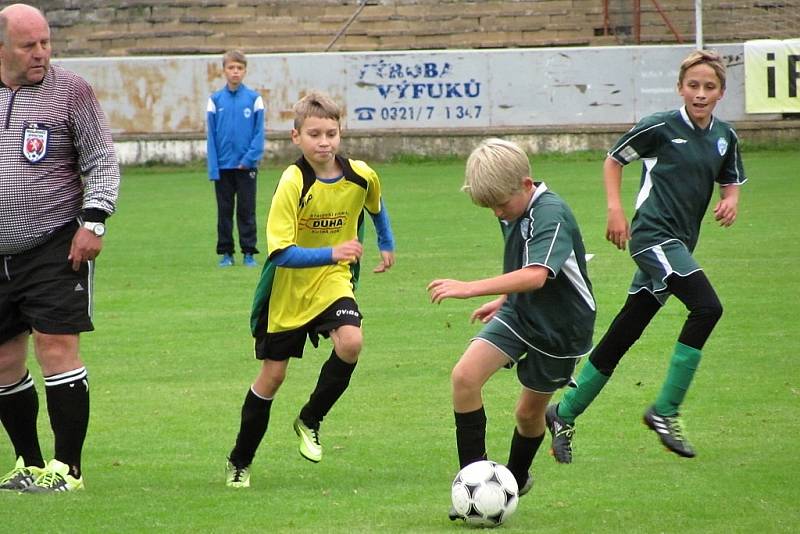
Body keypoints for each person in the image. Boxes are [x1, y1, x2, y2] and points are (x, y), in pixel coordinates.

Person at [545, 50, 747, 463]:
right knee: (707, 308)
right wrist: (616, 209)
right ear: (680, 88)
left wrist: (731, 200)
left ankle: (563, 413)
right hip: (653, 237)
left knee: (626, 330)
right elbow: (613, 160)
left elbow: (730, 179)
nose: (701, 93)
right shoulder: (659, 126)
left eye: (709, 87)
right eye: (693, 85)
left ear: (721, 92)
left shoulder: (725, 136)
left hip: (679, 245)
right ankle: (665, 410)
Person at [224, 91, 395, 488]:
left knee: (351, 342)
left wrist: (385, 242)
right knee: (273, 376)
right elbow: (280, 253)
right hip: (286, 289)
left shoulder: (360, 174)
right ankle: (240, 460)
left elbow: (376, 202)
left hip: (333, 282)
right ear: (295, 137)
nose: (324, 142)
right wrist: (334, 249)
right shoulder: (292, 182)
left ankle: (310, 419)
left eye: (331, 133)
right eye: (314, 134)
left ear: (340, 133)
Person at [427, 138, 595, 520]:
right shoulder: (511, 210)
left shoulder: (550, 212)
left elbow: (537, 275)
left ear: (525, 184)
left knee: (527, 415)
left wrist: (470, 287)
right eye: (490, 207)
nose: (498, 212)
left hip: (561, 328)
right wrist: (502, 299)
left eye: (501, 204)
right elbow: (525, 267)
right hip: (520, 312)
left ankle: (513, 483)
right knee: (464, 378)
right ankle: (472, 485)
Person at [0, 3, 120, 493]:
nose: (42, 53)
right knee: (4, 361)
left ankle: (68, 469)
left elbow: (102, 160)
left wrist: (94, 221)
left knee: (56, 347)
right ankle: (28, 463)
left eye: (46, 42)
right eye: (30, 45)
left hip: (54, 242)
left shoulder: (70, 91)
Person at [206, 49, 265, 268]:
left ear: (245, 71)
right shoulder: (215, 100)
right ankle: (226, 253)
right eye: (231, 68)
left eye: (239, 68)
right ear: (224, 71)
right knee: (224, 212)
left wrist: (249, 159)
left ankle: (249, 252)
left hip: (245, 166)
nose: (235, 72)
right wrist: (214, 167)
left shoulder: (254, 99)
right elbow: (211, 136)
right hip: (223, 166)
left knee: (246, 210)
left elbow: (259, 133)